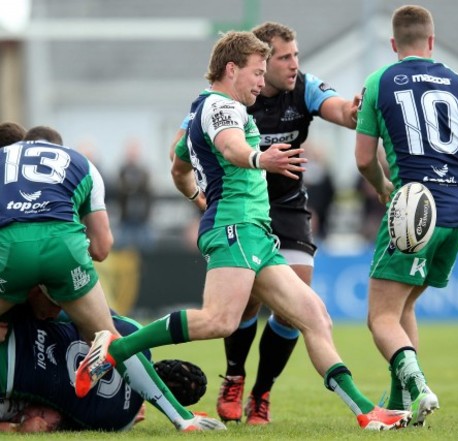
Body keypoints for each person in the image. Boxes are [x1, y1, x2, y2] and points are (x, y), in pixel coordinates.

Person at [75, 30, 411, 431]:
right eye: (256, 72)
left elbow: (178, 167)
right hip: (236, 227)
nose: (260, 80)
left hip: (255, 232)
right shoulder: (223, 107)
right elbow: (234, 148)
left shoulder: (204, 108)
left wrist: (198, 195)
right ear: (231, 69)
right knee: (220, 321)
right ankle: (116, 349)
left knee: (315, 317)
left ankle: (365, 412)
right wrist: (259, 158)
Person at [169, 21, 360, 425]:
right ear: (258, 63)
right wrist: (198, 199)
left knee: (297, 308)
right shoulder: (226, 101)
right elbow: (182, 157)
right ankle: (234, 374)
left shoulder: (303, 87)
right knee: (244, 305)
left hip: (286, 205)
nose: (294, 65)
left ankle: (262, 392)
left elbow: (341, 109)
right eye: (284, 58)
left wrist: (355, 112)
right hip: (239, 209)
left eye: (296, 56)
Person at [0, 126, 221, 431]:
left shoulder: (3, 159)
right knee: (114, 338)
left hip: (10, 247)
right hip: (65, 247)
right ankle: (182, 418)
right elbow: (102, 248)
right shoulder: (81, 162)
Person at [355, 5, 458, 427]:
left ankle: (419, 387)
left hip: (414, 208)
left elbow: (364, 158)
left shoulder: (379, 81)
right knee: (402, 309)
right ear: (432, 42)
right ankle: (401, 403)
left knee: (379, 317)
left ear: (393, 44)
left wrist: (383, 187)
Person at [0, 290, 216, 432]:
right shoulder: (121, 421)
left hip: (13, 335)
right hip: (10, 383)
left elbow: (70, 310)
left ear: (168, 362)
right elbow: (48, 421)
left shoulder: (133, 332)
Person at [116, 137, 154, 250]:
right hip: (126, 220)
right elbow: (120, 190)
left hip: (142, 220)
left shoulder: (144, 171)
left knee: (147, 248)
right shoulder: (122, 171)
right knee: (122, 250)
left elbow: (148, 192)